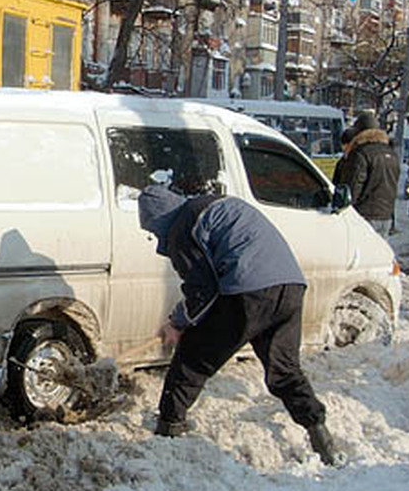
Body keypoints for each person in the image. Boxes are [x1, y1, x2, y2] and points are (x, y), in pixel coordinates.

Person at [138, 183, 346, 467]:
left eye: (153, 231)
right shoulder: (212, 205)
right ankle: (321, 437)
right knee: (284, 370)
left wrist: (177, 322)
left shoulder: (181, 227)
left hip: (248, 291)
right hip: (290, 285)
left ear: (158, 220)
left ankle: (168, 428)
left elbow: (202, 290)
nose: (156, 239)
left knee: (193, 356)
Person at [334, 112, 400, 238]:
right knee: (379, 248)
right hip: (386, 215)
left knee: (358, 249)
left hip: (364, 215)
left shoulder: (360, 153)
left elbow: (352, 187)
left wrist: (342, 208)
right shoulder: (391, 154)